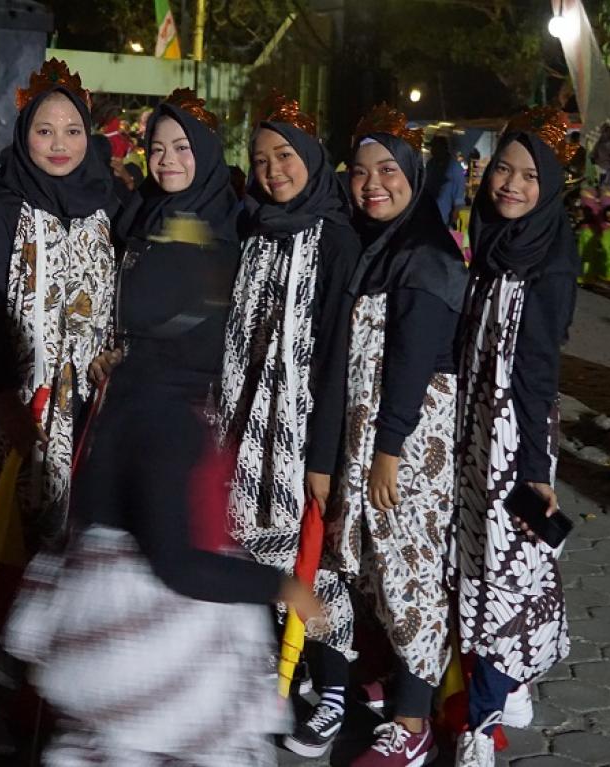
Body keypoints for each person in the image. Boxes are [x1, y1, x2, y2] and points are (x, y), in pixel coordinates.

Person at [7, 88, 316, 767]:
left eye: (184, 147)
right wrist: (276, 587)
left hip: (198, 424)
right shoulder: (139, 219)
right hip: (153, 606)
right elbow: (177, 561)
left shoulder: (235, 231)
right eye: (157, 146)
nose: (168, 159)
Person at [0, 58, 117, 756]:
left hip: (89, 412)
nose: (59, 143)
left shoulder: (109, 201)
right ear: (23, 135)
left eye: (72, 129)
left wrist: (112, 357)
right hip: (19, 406)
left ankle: (49, 695)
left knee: (72, 553)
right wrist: (5, 399)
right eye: (44, 129)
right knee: (6, 545)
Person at [308, 104, 468, 765]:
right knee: (379, 571)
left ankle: (413, 722)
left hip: (407, 448)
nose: (372, 184)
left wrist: (389, 451)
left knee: (409, 575)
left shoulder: (426, 254)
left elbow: (412, 362)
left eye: (388, 170)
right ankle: (398, 682)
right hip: (375, 441)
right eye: (360, 171)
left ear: (414, 173)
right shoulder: (382, 247)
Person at [218, 94, 359, 739]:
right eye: (260, 159)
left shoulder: (337, 240)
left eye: (285, 156)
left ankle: (333, 689)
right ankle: (284, 669)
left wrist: (322, 458)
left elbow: (336, 359)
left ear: (311, 159)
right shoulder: (255, 228)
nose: (273, 171)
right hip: (248, 423)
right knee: (258, 551)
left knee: (313, 559)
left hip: (302, 433)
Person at [450, 107, 579, 767]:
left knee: (506, 564)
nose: (512, 184)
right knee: (478, 558)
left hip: (513, 435)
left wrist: (534, 468)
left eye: (530, 176)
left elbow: (539, 371)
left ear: (549, 185)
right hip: (472, 427)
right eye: (505, 168)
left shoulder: (548, 257)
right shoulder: (492, 236)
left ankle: (481, 722)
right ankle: (514, 679)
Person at [423, 134, 466, 227]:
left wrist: (454, 218)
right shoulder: (430, 165)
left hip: (445, 219)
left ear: (443, 148)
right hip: (428, 216)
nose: (432, 150)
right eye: (432, 147)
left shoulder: (454, 167)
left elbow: (459, 197)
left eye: (435, 147)